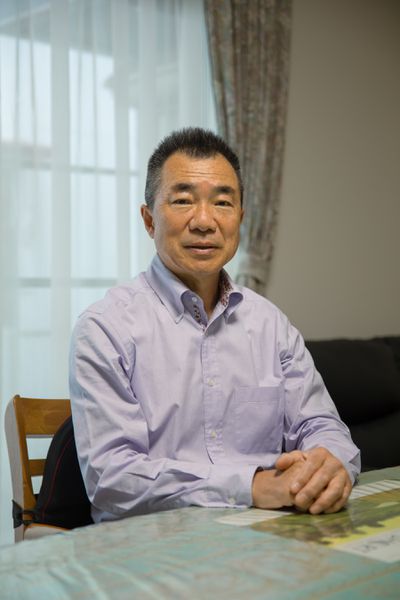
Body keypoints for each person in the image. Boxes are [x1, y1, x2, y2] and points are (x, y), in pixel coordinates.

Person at [69, 127, 360, 523]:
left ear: (240, 218)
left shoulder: (270, 324)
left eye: (223, 203)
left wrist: (328, 464)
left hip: (268, 537)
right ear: (149, 219)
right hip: (152, 550)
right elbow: (112, 478)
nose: (204, 221)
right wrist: (250, 486)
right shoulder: (105, 329)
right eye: (184, 200)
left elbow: (323, 426)